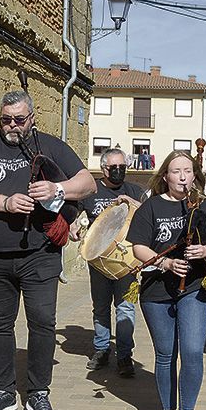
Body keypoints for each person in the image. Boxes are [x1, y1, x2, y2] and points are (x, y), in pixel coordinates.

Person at [0, 91, 96, 410]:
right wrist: (5, 203)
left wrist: (57, 190)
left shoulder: (50, 146)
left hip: (41, 254)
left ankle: (38, 393)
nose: (11, 125)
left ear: (31, 118)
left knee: (42, 322)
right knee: (0, 324)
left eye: (19, 119)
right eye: (6, 119)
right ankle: (4, 392)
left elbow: (88, 182)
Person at [127, 151, 206, 410]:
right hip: (156, 290)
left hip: (194, 288)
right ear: (165, 175)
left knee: (191, 352)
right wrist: (164, 264)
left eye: (187, 171)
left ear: (194, 176)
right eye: (175, 171)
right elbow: (138, 246)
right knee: (165, 354)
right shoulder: (150, 207)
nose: (181, 176)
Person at [71, 147, 146, 377]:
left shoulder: (134, 189)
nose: (118, 171)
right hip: (99, 262)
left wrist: (133, 202)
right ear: (104, 168)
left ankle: (124, 356)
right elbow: (72, 213)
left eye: (122, 167)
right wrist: (72, 226)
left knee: (125, 308)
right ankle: (102, 349)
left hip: (127, 262)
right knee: (101, 307)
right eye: (114, 168)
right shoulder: (91, 189)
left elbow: (152, 213)